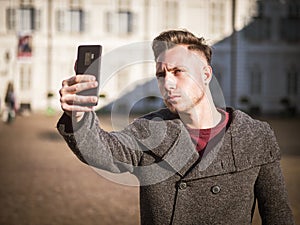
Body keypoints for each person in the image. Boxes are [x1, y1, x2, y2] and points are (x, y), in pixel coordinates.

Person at [57, 29, 295, 224]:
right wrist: (78, 114)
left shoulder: (255, 136)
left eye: (177, 71)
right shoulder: (149, 131)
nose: (167, 83)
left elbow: (278, 215)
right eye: (161, 74)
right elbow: (103, 152)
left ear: (206, 74)